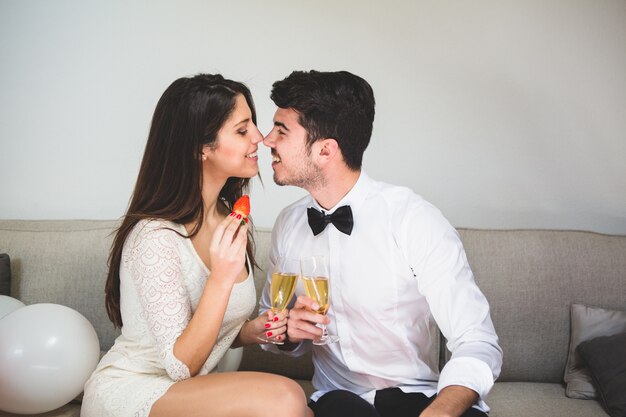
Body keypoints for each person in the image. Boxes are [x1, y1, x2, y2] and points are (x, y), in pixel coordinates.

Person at [259, 70, 503, 417]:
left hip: (418, 398)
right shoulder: (288, 224)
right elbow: (271, 325)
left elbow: (477, 340)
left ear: (325, 150)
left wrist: (442, 411)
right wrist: (289, 333)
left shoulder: (414, 220)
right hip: (337, 402)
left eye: (281, 131)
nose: (266, 140)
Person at [82, 74, 310, 417]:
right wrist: (220, 277)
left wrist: (254, 330)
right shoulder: (155, 237)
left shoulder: (228, 218)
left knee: (301, 411)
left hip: (188, 393)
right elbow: (181, 366)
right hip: (136, 389)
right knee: (286, 399)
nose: (260, 139)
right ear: (201, 147)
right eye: (242, 129)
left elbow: (212, 333)